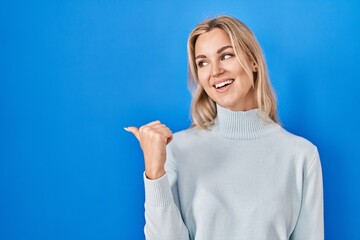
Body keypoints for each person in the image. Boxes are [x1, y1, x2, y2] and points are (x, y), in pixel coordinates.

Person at [125, 15, 324, 240]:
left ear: (253, 61)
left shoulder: (300, 155)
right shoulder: (176, 149)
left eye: (226, 55)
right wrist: (154, 173)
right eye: (203, 62)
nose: (215, 71)